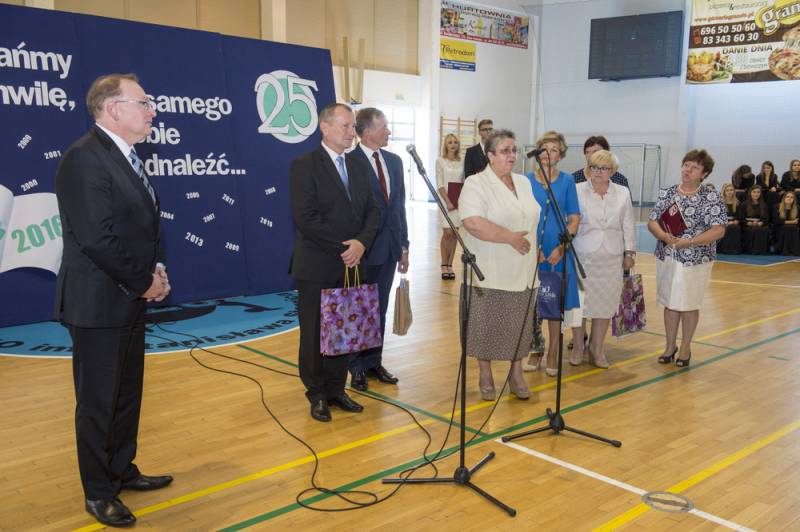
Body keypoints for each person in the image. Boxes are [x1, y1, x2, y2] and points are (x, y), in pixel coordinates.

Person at [54, 73, 172, 528]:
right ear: (114, 108)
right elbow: (97, 239)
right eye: (144, 102)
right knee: (98, 402)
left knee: (126, 394)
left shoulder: (126, 155)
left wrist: (156, 270)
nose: (152, 111)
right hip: (98, 303)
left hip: (128, 296)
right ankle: (98, 492)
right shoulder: (84, 158)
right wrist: (143, 282)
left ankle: (122, 469)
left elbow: (143, 227)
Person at [289, 103, 379, 422]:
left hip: (353, 263)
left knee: (344, 330)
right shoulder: (304, 165)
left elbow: (373, 210)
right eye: (345, 126)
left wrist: (361, 243)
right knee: (315, 333)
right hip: (319, 264)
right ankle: (317, 394)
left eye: (353, 126)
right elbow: (306, 217)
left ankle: (336, 389)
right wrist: (345, 248)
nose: (352, 132)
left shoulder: (357, 165)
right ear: (324, 128)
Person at [459, 129, 541, 400]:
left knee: (519, 325)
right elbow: (473, 222)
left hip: (525, 268)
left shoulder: (524, 182)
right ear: (490, 155)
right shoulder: (476, 183)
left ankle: (516, 373)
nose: (512, 155)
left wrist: (537, 246)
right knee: (486, 326)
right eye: (505, 151)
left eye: (514, 150)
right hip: (490, 270)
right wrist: (510, 238)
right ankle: (485, 374)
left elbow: (531, 218)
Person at [347, 107, 409, 392]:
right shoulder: (349, 162)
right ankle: (356, 367)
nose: (389, 132)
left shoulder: (395, 161)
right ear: (368, 131)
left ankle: (374, 362)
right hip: (363, 249)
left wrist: (404, 245)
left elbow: (399, 207)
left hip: (390, 247)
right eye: (384, 127)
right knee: (359, 307)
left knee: (379, 307)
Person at [648, 149, 726, 368]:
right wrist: (663, 236)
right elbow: (652, 221)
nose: (688, 170)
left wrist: (690, 242)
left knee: (689, 304)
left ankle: (685, 347)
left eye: (695, 167)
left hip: (695, 259)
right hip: (668, 255)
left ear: (704, 173)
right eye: (686, 165)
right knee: (670, 303)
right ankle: (669, 346)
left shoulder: (710, 197)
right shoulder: (667, 192)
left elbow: (718, 230)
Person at [523, 130, 582, 376]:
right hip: (531, 250)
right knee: (533, 304)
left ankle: (553, 353)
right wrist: (533, 247)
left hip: (558, 250)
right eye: (545, 149)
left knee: (554, 305)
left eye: (554, 150)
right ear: (538, 152)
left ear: (561, 155)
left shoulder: (567, 181)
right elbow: (522, 217)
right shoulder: (525, 180)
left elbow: (574, 219)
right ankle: (535, 350)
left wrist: (562, 247)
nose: (549, 153)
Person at [573, 150, 636, 368]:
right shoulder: (577, 190)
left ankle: (597, 349)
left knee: (605, 305)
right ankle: (578, 347)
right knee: (579, 305)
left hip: (611, 258)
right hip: (582, 256)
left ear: (612, 171)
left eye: (604, 168)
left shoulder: (622, 192)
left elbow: (628, 223)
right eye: (594, 167)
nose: (599, 172)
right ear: (588, 169)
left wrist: (630, 252)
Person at [436, 133, 464, 280]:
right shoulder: (440, 161)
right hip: (445, 199)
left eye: (455, 142)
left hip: (459, 200)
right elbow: (440, 184)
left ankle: (450, 265)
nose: (453, 145)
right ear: (445, 145)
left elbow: (464, 181)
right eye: (450, 142)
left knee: (455, 233)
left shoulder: (462, 161)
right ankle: (443, 264)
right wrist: (447, 202)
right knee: (447, 233)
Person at [738, 185, 770, 254]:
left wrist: (761, 223)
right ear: (750, 193)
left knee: (763, 229)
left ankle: (761, 251)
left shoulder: (764, 205)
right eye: (754, 192)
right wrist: (748, 223)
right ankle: (750, 250)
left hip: (759, 224)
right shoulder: (744, 204)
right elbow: (741, 218)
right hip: (747, 225)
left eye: (758, 192)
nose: (756, 194)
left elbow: (766, 219)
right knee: (752, 230)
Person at [717, 183, 743, 254]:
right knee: (728, 227)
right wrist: (726, 222)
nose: (729, 192)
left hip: (734, 223)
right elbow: (717, 216)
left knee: (735, 227)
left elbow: (739, 216)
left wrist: (736, 221)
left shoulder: (737, 203)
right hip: (722, 223)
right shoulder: (720, 203)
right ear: (724, 192)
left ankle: (734, 249)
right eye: (727, 190)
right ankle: (725, 249)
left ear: (734, 191)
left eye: (731, 190)